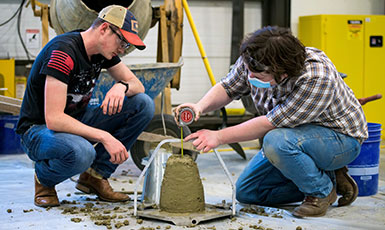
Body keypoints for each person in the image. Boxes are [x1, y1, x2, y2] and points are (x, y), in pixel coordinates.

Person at [174, 26, 368, 217]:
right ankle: (327, 176)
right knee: (248, 192)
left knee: (275, 141)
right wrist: (199, 107)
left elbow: (269, 123)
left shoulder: (316, 78)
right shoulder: (256, 57)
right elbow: (228, 88)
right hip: (292, 136)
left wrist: (218, 136)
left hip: (339, 139)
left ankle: (321, 191)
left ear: (283, 73)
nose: (249, 77)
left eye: (257, 76)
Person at [16, 5, 155, 207]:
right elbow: (53, 119)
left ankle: (95, 176)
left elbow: (138, 86)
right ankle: (44, 179)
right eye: (122, 41)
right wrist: (105, 136)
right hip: (39, 130)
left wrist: (121, 87)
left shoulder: (101, 52)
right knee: (82, 153)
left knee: (143, 104)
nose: (123, 49)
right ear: (104, 28)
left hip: (74, 121)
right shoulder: (63, 52)